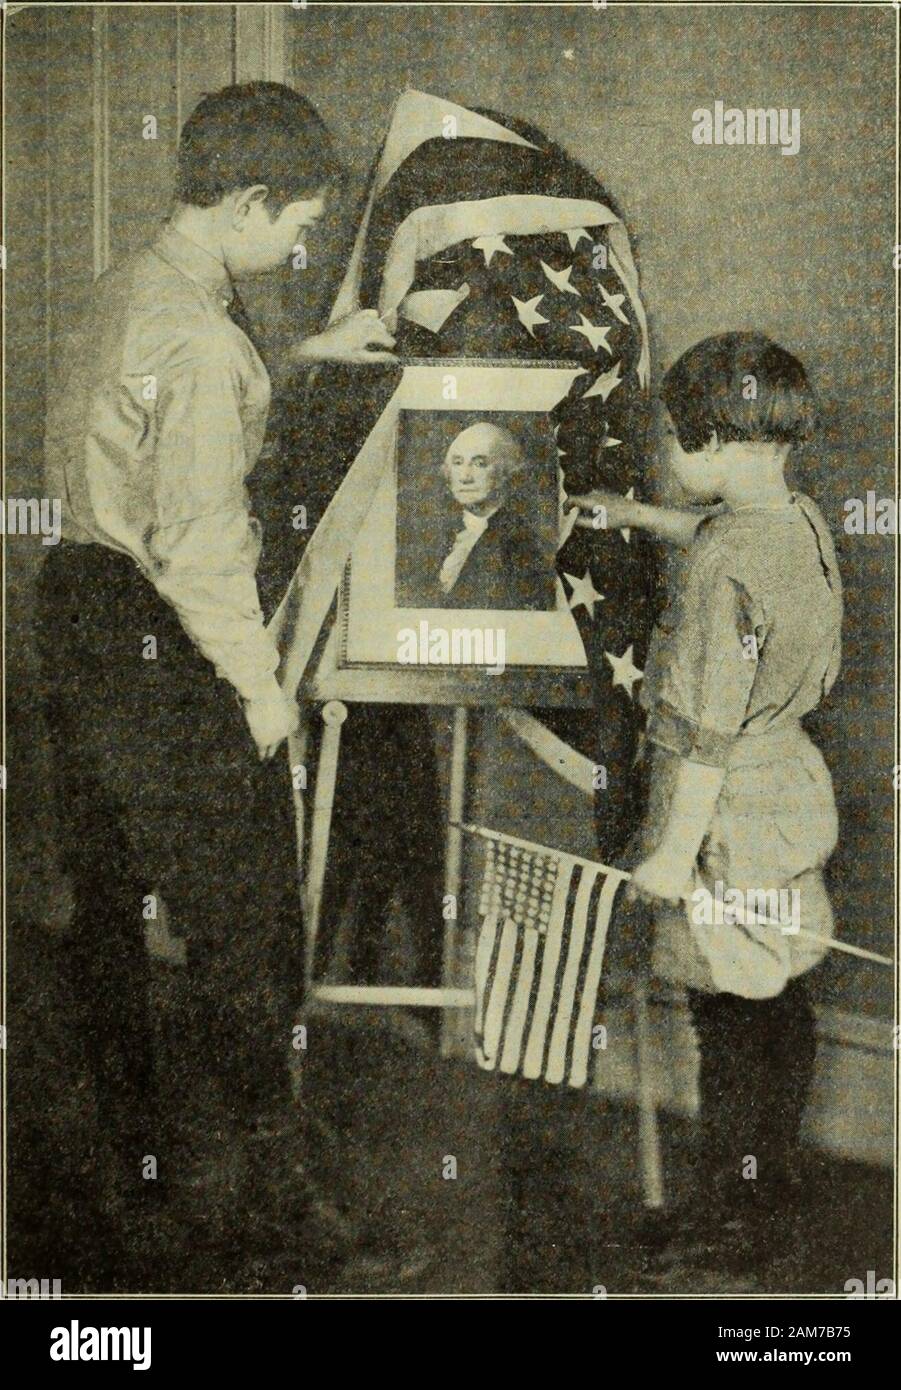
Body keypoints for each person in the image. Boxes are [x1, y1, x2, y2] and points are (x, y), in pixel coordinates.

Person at [38, 81, 396, 1287]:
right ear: (245, 202)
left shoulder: (139, 285)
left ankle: (125, 1171)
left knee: (107, 903)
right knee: (248, 919)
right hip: (157, 622)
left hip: (78, 609)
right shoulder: (201, 337)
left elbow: (165, 409)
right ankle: (266, 1216)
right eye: (295, 226)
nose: (303, 248)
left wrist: (292, 354)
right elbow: (199, 544)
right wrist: (258, 693)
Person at [572, 333, 842, 1285]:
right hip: (788, 793)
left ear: (714, 439)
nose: (669, 459)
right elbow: (725, 539)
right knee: (777, 997)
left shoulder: (722, 571)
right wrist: (637, 514)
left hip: (722, 805)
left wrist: (669, 853)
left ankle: (728, 1222)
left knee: (724, 1016)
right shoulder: (793, 519)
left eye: (676, 446)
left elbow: (703, 731)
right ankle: (763, 1197)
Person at [433, 422, 553, 610]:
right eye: (457, 462)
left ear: (506, 472)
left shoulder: (521, 545)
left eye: (480, 464)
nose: (465, 476)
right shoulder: (438, 534)